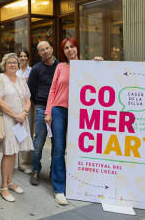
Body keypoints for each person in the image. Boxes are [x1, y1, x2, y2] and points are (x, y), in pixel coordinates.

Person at [44, 37, 101, 205]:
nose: (70, 50)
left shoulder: (86, 66)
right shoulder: (60, 67)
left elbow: (99, 81)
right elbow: (53, 89)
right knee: (59, 149)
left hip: (80, 111)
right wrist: (48, 112)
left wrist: (99, 64)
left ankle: (78, 184)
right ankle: (59, 188)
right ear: (63, 51)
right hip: (59, 110)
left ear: (77, 48)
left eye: (72, 47)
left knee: (80, 149)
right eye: (66, 48)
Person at [0, 53, 33, 202]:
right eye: (9, 62)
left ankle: (10, 181)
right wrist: (15, 115)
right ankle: (4, 187)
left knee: (15, 151)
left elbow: (28, 99)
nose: (12, 64)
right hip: (8, 120)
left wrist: (24, 113)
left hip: (21, 120)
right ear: (4, 64)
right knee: (8, 153)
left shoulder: (22, 80)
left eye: (15, 62)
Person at [28, 41, 59, 185]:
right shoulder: (36, 69)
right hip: (41, 108)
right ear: (39, 53)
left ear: (52, 49)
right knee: (38, 143)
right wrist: (40, 104)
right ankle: (36, 170)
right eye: (42, 50)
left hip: (58, 109)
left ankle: (54, 171)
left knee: (57, 143)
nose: (45, 51)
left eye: (47, 48)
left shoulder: (61, 67)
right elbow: (31, 91)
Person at [16, 47, 33, 174]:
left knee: (27, 133)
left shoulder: (31, 71)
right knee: (17, 132)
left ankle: (25, 163)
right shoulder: (14, 70)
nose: (23, 58)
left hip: (27, 105)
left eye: (25, 56)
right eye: (21, 56)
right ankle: (15, 161)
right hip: (15, 105)